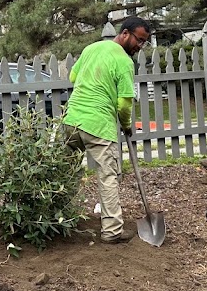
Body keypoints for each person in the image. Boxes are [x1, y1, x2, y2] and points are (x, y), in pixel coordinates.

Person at [62, 16, 152, 243]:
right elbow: (124, 104)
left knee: (65, 172)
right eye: (139, 40)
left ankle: (61, 220)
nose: (140, 46)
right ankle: (112, 231)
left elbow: (73, 77)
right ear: (125, 33)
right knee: (108, 176)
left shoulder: (91, 48)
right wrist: (126, 125)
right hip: (99, 125)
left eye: (144, 42)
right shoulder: (124, 62)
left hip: (72, 121)